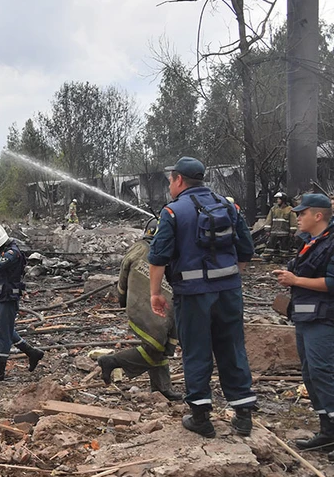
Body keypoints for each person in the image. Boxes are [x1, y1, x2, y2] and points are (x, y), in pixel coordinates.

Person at [148, 156, 257, 438]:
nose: (170, 185)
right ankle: (243, 415)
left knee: (197, 350)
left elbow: (158, 257)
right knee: (232, 348)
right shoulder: (227, 205)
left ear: (179, 180)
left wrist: (155, 293)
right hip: (229, 292)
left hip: (193, 295)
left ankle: (200, 416)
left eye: (170, 180)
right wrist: (231, 275)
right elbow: (246, 248)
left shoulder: (172, 212)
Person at [272, 194, 334, 455]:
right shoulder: (310, 242)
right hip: (305, 317)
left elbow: (331, 283)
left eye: (302, 213)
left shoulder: (331, 244)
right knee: (310, 374)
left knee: (324, 372)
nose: (297, 217)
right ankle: (327, 431)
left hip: (324, 319)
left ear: (318, 216)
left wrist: (295, 281)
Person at [97, 218, 180, 401]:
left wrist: (122, 296)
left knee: (161, 347)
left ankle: (161, 388)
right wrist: (123, 297)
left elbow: (123, 275)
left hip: (162, 304)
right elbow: (124, 274)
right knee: (155, 346)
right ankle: (111, 361)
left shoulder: (152, 248)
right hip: (148, 306)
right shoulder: (144, 248)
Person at [0, 223, 44, 381]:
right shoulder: (4, 250)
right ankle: (32, 352)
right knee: (6, 329)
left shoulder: (12, 252)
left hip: (8, 297)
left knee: (1, 332)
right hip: (2, 296)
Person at [264, 192, 297, 261]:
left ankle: (283, 258)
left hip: (285, 233)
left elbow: (293, 222)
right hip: (274, 232)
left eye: (279, 199)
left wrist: (292, 232)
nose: (277, 201)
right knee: (270, 246)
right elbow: (269, 220)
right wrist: (267, 230)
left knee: (284, 247)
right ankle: (267, 258)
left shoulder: (290, 210)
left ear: (283, 200)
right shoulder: (273, 209)